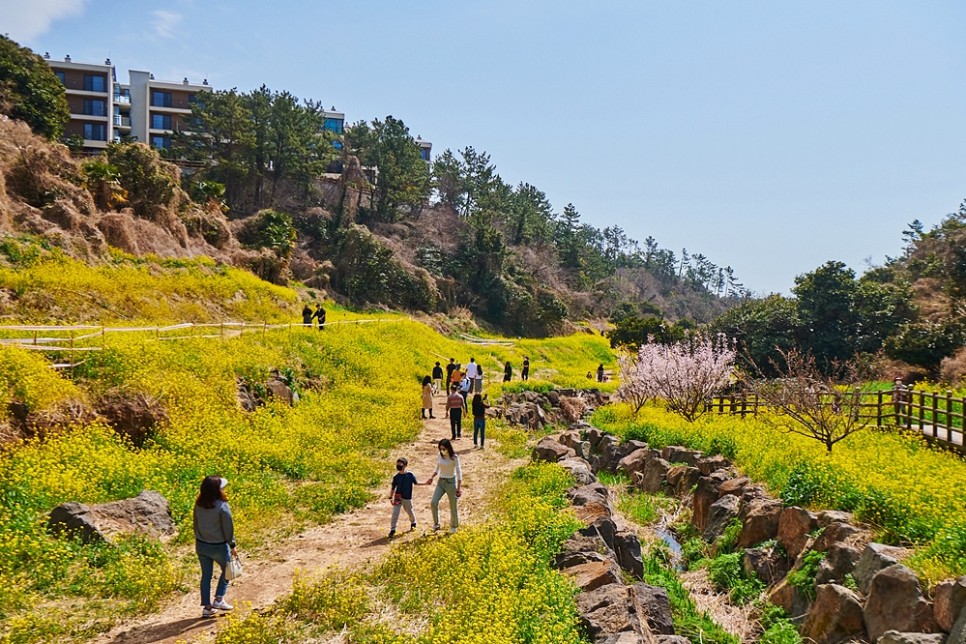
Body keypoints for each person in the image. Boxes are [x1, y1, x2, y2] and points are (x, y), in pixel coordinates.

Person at [193, 475, 237, 619]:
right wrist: (232, 545)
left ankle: (207, 608)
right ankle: (219, 599)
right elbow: (228, 528)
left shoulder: (198, 504)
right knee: (228, 571)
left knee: (206, 575)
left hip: (201, 545)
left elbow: (195, 525)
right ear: (217, 490)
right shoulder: (222, 506)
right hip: (218, 546)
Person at [426, 439, 462, 533]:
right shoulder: (439, 456)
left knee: (453, 505)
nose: (442, 451)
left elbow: (459, 472)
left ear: (448, 448)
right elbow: (437, 468)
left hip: (451, 483)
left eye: (444, 448)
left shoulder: (454, 457)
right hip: (441, 482)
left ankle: (454, 525)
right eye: (440, 449)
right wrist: (431, 477)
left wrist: (459, 488)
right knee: (433, 502)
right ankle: (436, 524)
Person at [388, 457, 421, 539]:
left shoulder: (410, 475)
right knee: (395, 513)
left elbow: (416, 483)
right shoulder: (396, 477)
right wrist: (390, 497)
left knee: (410, 511)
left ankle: (413, 523)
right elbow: (393, 487)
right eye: (397, 464)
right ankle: (393, 529)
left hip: (407, 498)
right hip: (398, 497)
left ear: (405, 465)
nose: (398, 466)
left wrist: (426, 483)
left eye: (400, 464)